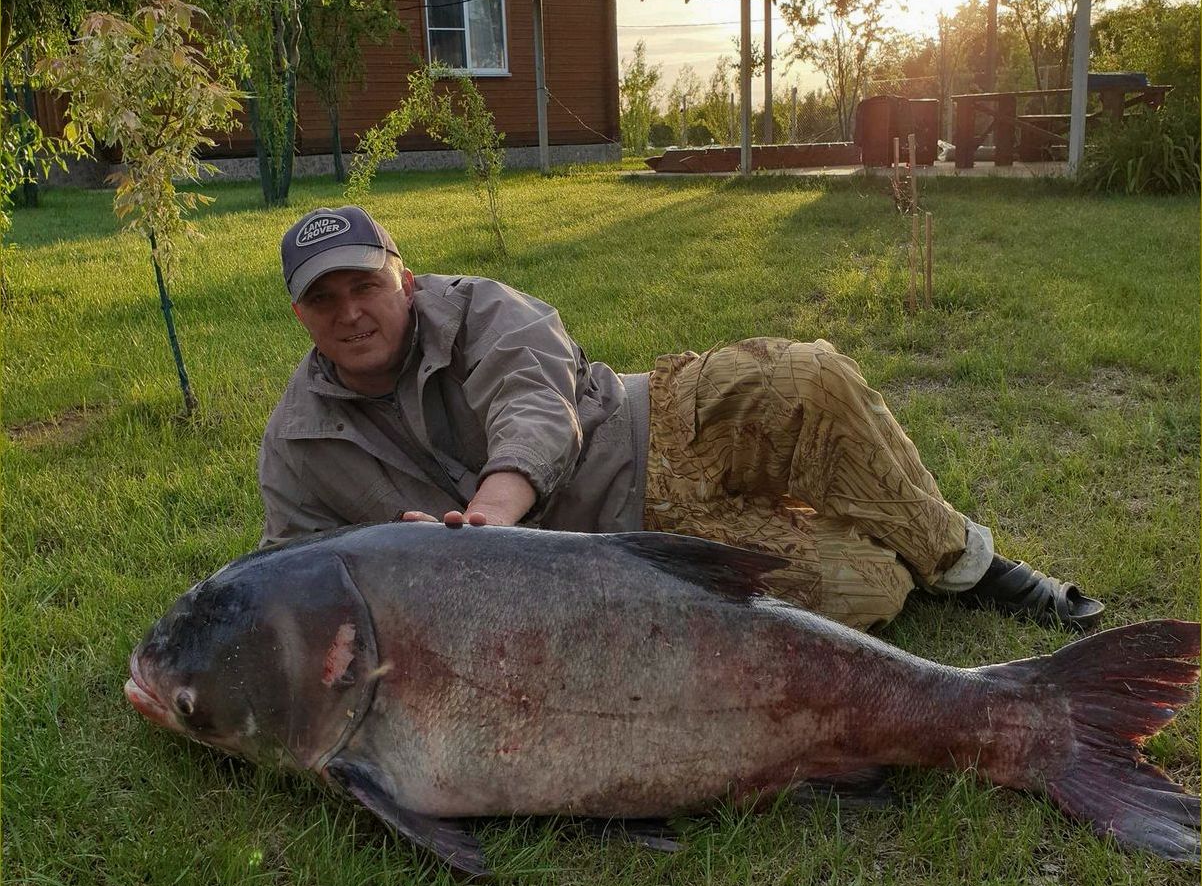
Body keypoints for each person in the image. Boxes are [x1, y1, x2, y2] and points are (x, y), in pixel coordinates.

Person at [258, 204, 1104, 633]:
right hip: (614, 555)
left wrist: (487, 521)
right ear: (300, 315)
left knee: (807, 377)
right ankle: (898, 559)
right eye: (322, 299)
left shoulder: (480, 308)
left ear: (402, 279)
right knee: (866, 589)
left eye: (363, 285)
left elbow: (535, 405)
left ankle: (966, 561)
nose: (350, 313)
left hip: (652, 424)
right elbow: (292, 566)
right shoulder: (299, 442)